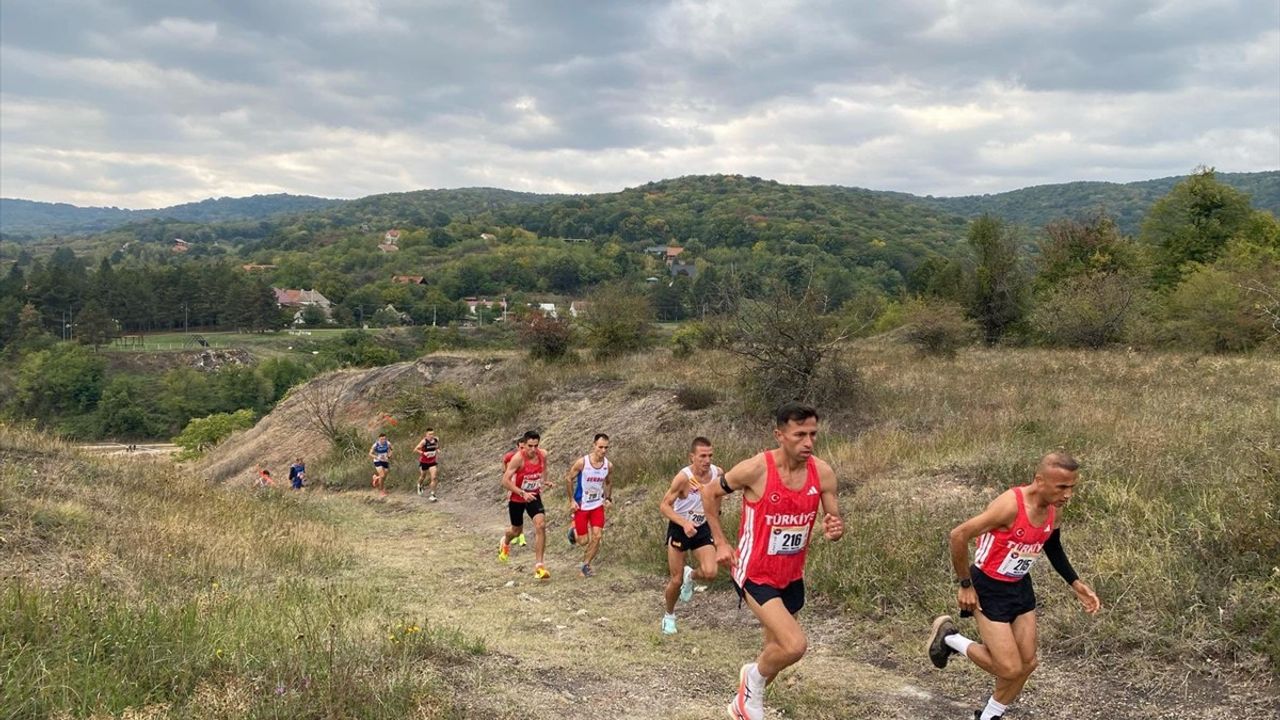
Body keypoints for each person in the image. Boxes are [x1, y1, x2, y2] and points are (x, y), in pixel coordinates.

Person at [927, 452, 1101, 720]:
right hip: (987, 586)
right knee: (1009, 669)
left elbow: (1052, 544)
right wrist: (965, 585)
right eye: (1062, 487)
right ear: (1039, 480)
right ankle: (950, 639)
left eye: (1072, 487)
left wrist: (1075, 583)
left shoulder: (1055, 508)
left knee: (1028, 663)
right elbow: (958, 535)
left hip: (1019, 585)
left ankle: (987, 717)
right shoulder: (1010, 506)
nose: (1068, 494)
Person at [702, 403, 844, 720]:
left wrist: (835, 528)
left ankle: (745, 703)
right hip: (755, 572)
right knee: (794, 645)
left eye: (813, 435)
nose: (808, 442)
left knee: (775, 653)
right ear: (780, 435)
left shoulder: (822, 472)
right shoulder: (756, 468)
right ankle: (750, 685)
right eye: (799, 435)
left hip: (792, 574)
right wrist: (721, 542)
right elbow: (710, 493)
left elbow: (833, 517)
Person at [657, 436, 722, 634]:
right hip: (680, 527)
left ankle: (691, 575)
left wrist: (714, 518)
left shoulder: (717, 473)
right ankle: (669, 615)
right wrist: (684, 523)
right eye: (702, 456)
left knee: (710, 572)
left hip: (702, 526)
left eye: (710, 455)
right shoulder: (683, 478)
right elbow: (664, 506)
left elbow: (719, 497)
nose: (707, 460)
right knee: (675, 580)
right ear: (692, 457)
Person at [500, 430, 551, 578]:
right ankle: (505, 541)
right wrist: (522, 492)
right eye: (530, 446)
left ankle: (539, 566)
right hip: (517, 498)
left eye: (536, 446)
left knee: (541, 525)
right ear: (524, 444)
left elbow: (544, 468)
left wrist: (544, 480)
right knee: (516, 531)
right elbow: (505, 481)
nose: (533, 449)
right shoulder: (518, 459)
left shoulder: (543, 455)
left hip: (534, 496)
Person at [564, 433, 613, 577]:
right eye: (600, 447)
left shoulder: (608, 465)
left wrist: (608, 498)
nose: (603, 451)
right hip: (582, 505)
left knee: (597, 536)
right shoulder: (582, 462)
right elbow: (568, 479)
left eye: (606, 448)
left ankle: (585, 565)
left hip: (597, 505)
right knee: (583, 541)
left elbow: (609, 482)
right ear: (594, 445)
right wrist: (571, 500)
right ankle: (573, 531)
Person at [503, 438, 528, 547]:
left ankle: (519, 537)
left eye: (524, 447)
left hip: (527, 492)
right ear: (517, 447)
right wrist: (510, 490)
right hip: (515, 491)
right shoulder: (511, 457)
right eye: (521, 447)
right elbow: (506, 473)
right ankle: (517, 537)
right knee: (517, 518)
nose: (523, 450)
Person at [414, 429, 440, 501]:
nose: (431, 436)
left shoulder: (436, 440)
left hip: (432, 462)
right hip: (424, 462)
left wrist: (437, 450)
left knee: (434, 477)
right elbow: (415, 449)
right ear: (426, 435)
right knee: (423, 476)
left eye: (432, 434)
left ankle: (432, 494)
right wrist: (423, 453)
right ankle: (419, 485)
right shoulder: (424, 441)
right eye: (429, 434)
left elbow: (436, 446)